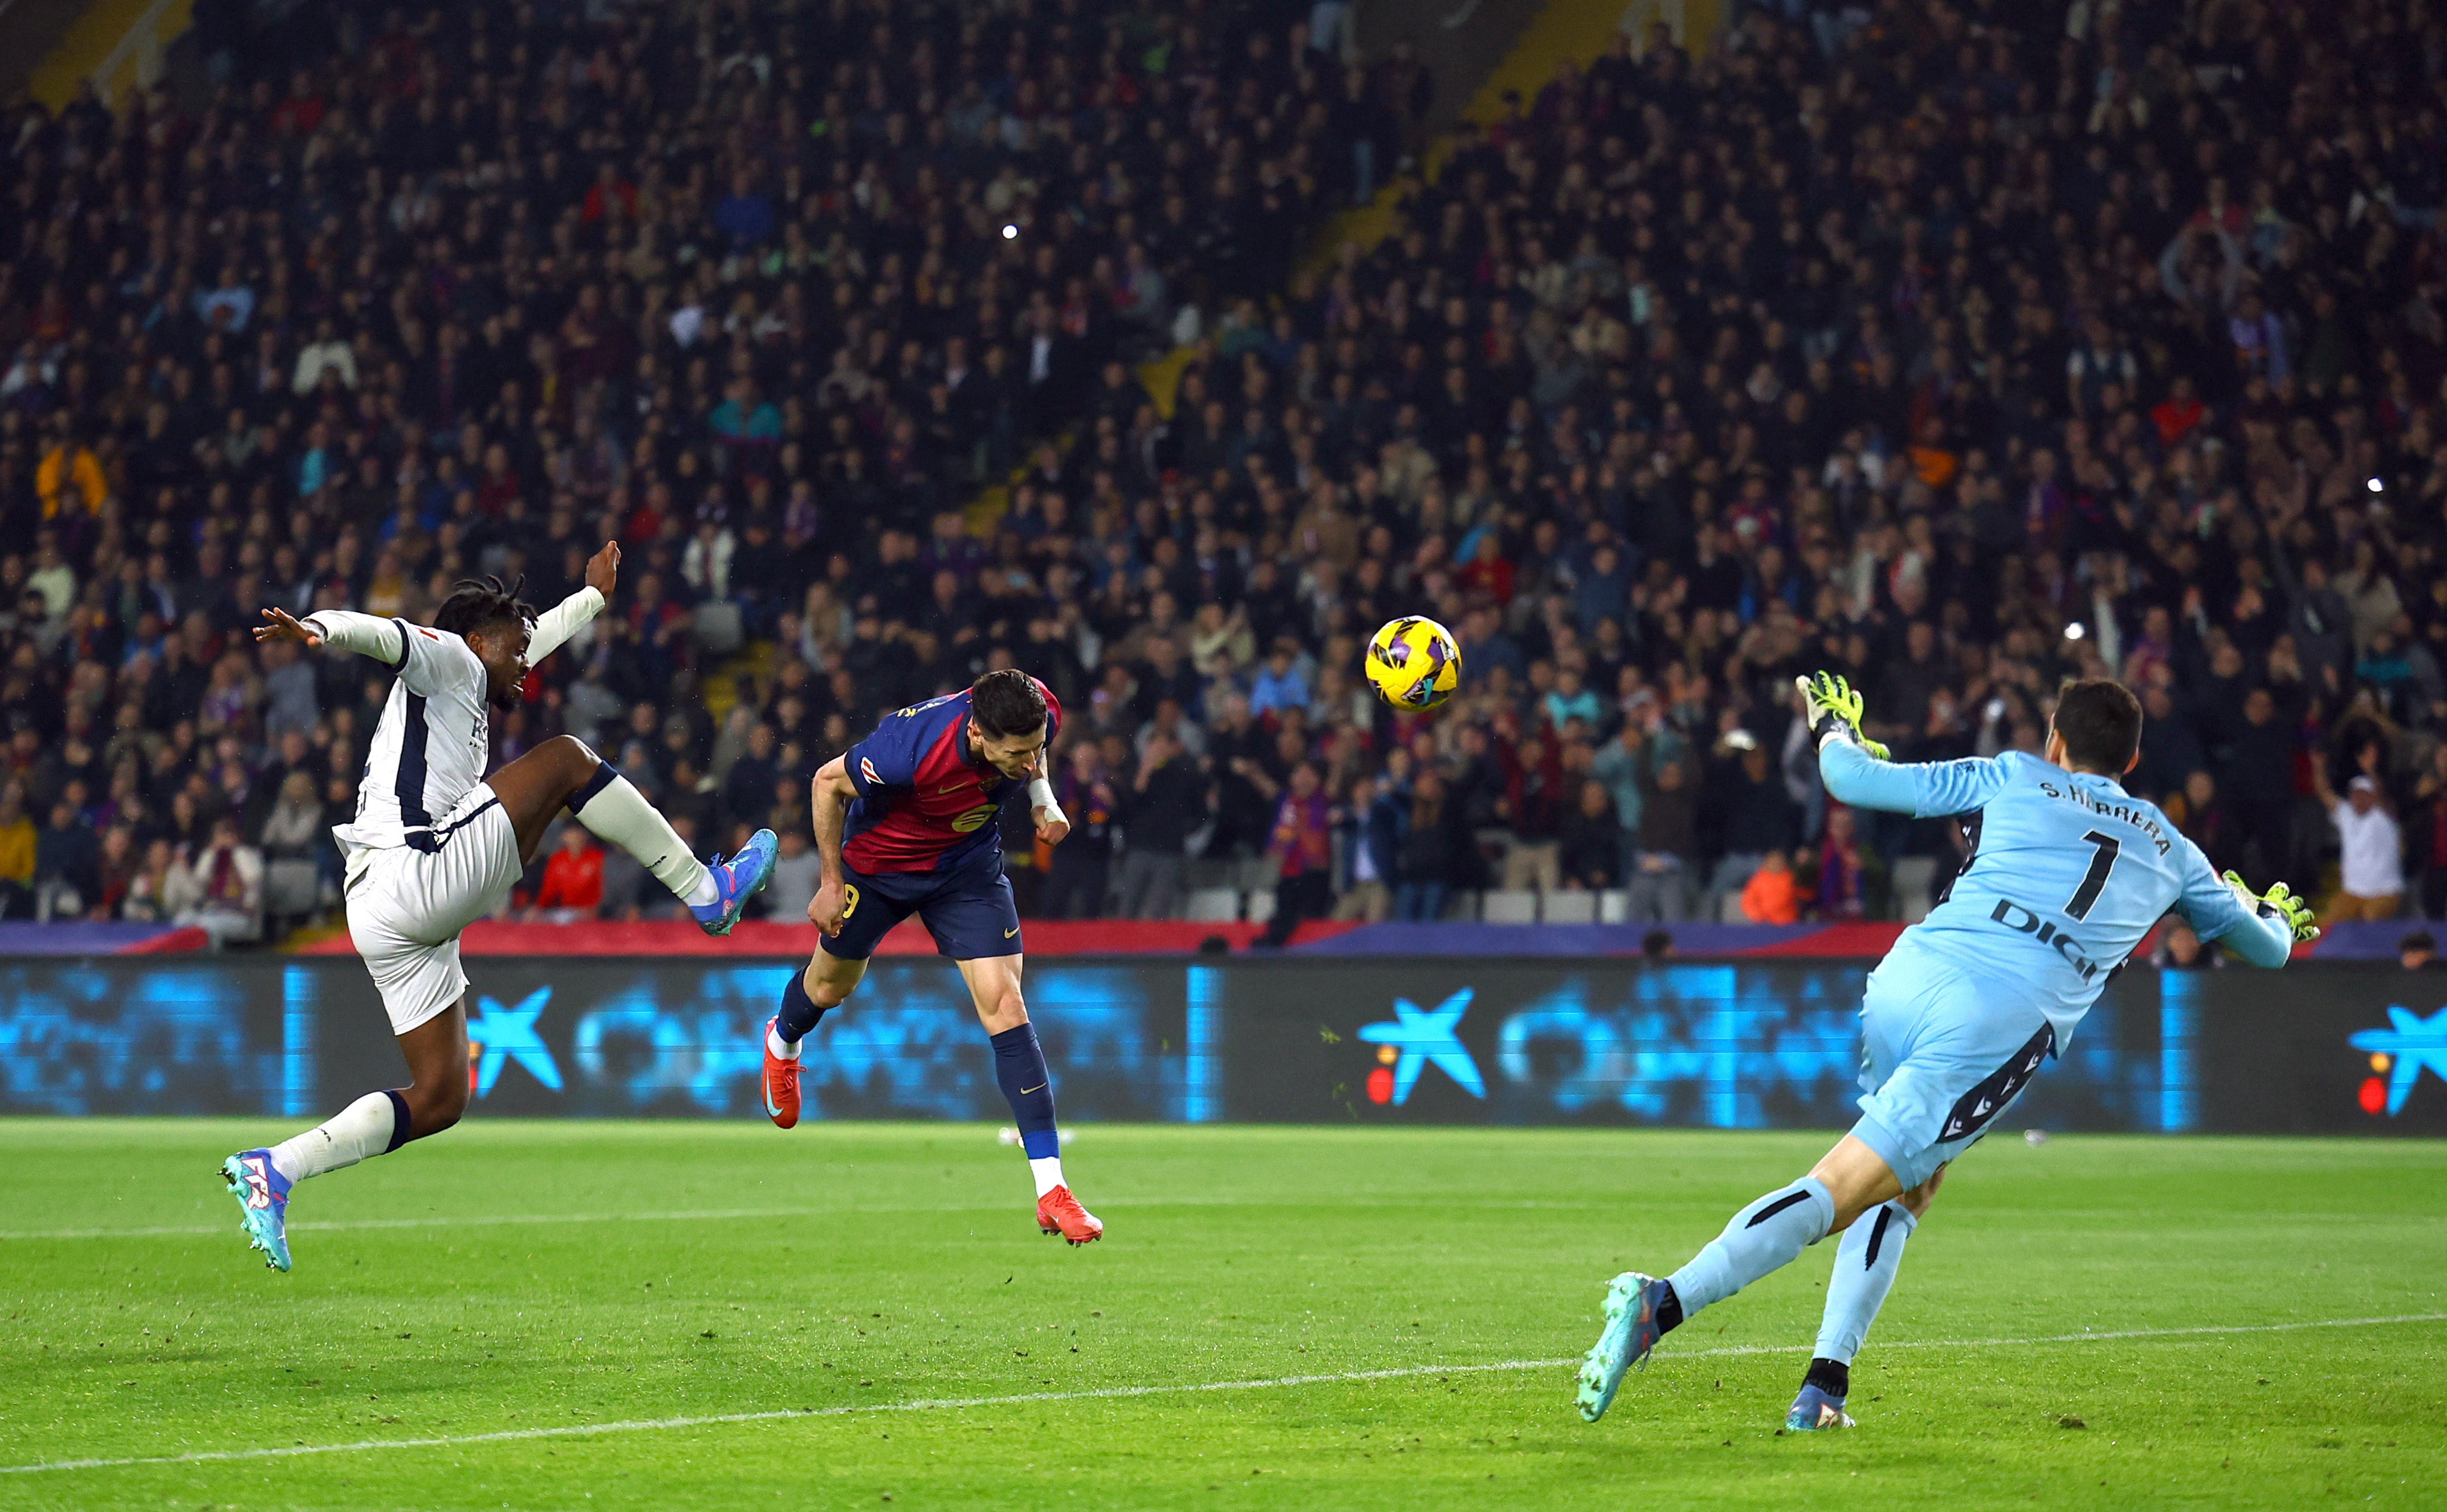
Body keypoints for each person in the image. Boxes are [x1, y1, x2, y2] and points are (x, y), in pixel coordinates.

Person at [1575, 675, 2316, 1431]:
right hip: (1993, 1025)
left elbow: (1848, 777)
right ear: (2133, 757)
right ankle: (1660, 1302)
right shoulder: (2170, 847)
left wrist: (1833, 723)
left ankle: (1822, 1391)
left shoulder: (2012, 774)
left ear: (2055, 738)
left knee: (1910, 1183)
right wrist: (2269, 912)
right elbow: (2266, 948)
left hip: (1908, 975)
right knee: (1843, 1188)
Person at [220, 544, 779, 1273]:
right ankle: (708, 893)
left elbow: (536, 635)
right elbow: (388, 635)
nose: (527, 664)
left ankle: (276, 1169)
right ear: (478, 641)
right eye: (514, 650)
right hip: (412, 871)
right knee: (569, 760)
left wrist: (594, 600)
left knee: (443, 1094)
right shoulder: (450, 656)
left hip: (385, 910)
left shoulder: (483, 667)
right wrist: (321, 628)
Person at [758, 669, 1101, 1245]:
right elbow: (825, 783)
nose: (1028, 759)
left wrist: (1042, 799)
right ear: (976, 735)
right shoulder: (909, 749)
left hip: (966, 869)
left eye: (1036, 748)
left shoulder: (1036, 707)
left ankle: (1052, 1190)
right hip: (880, 867)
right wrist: (828, 881)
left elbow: (1034, 758)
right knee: (828, 989)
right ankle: (781, 1040)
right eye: (1016, 754)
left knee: (1006, 1004)